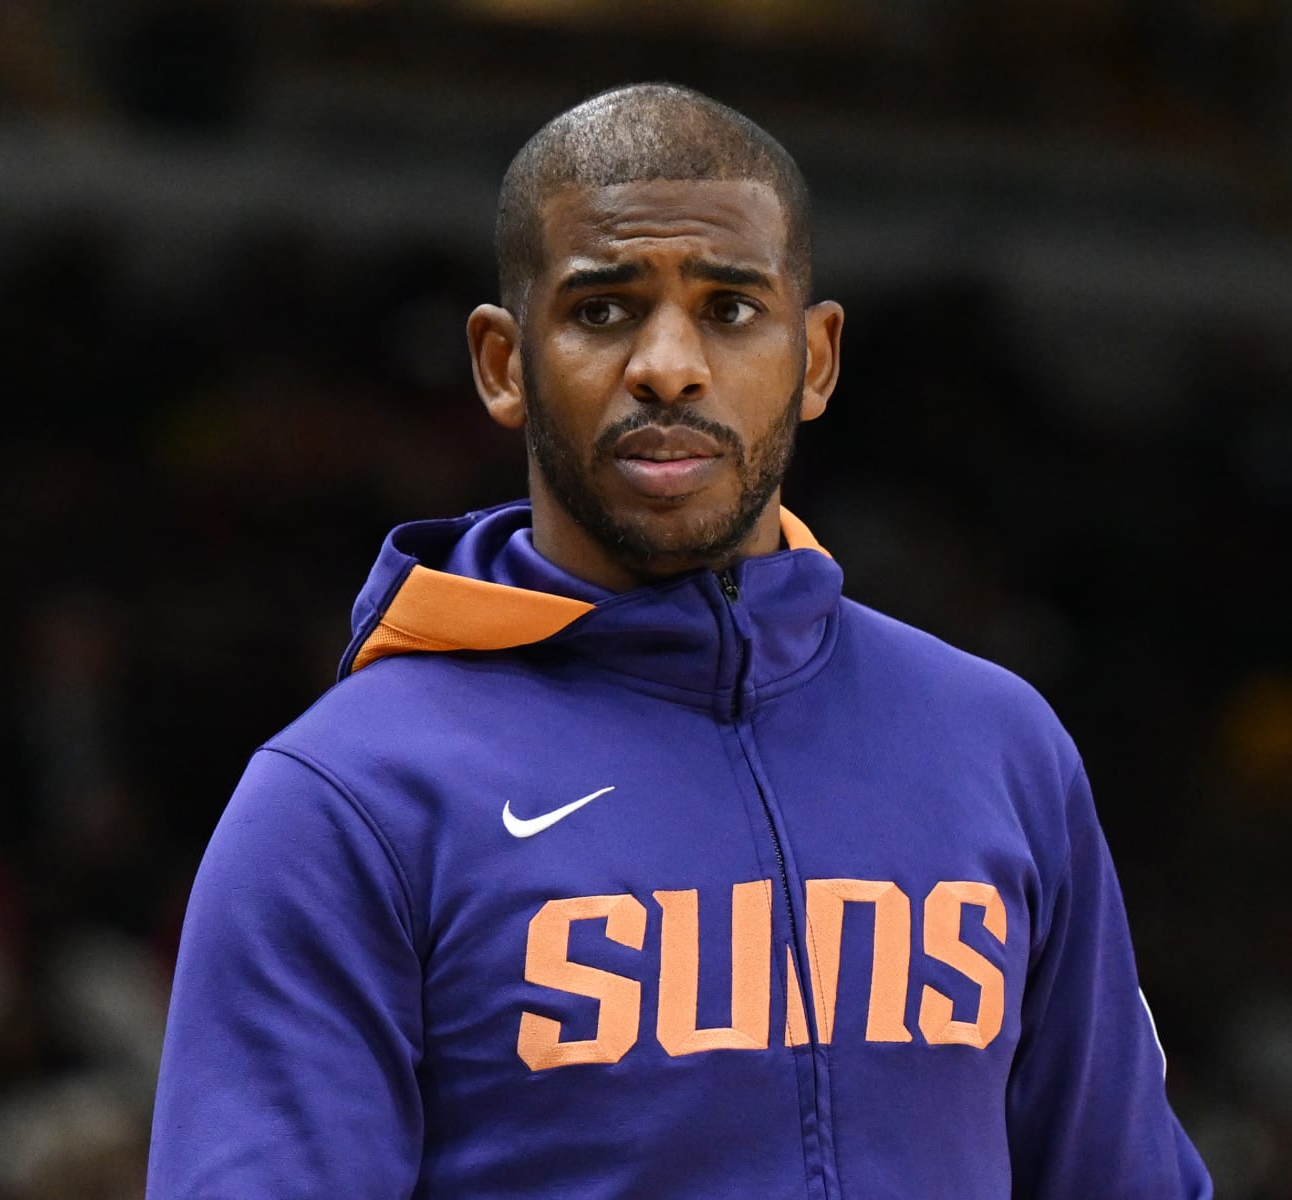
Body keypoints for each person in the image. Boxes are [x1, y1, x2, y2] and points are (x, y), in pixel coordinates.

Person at [147, 83, 1212, 1198]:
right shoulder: (347, 798)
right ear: (505, 364)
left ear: (816, 358)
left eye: (732, 308)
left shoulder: (999, 746)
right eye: (603, 310)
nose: (667, 364)